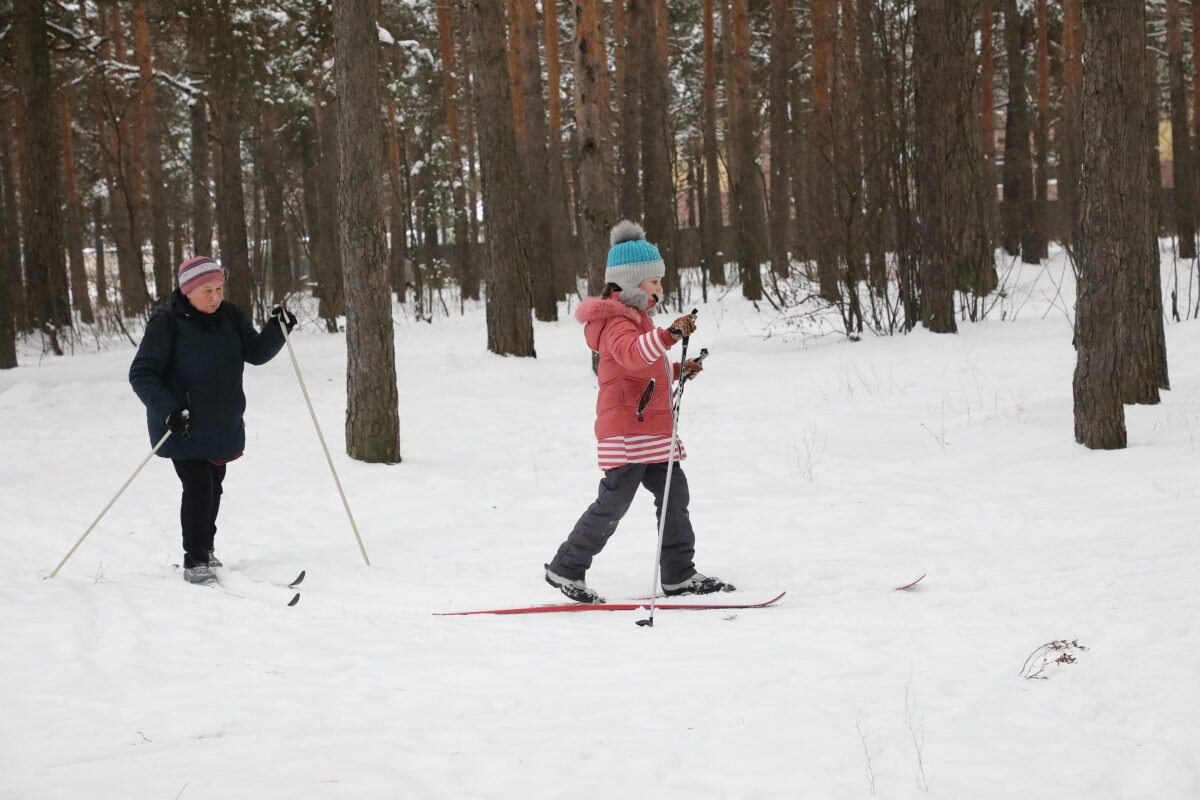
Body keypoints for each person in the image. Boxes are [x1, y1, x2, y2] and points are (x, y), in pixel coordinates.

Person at [545, 221, 733, 603]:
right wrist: (668, 336)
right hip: (628, 432)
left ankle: (679, 573)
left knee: (673, 493)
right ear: (630, 283)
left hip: (649, 430)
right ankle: (567, 566)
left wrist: (680, 369)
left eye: (660, 283)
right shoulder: (616, 321)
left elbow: (647, 367)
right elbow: (633, 355)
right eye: (654, 282)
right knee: (614, 500)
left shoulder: (638, 321)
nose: (659, 290)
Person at [129, 256, 296, 585]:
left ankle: (206, 549)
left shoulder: (231, 316)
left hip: (222, 422)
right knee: (198, 487)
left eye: (219, 288)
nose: (215, 296)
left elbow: (256, 352)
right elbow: (142, 373)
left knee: (214, 486)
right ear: (188, 290)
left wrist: (278, 329)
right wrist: (168, 411)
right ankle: (194, 558)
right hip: (183, 425)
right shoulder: (167, 322)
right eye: (207, 290)